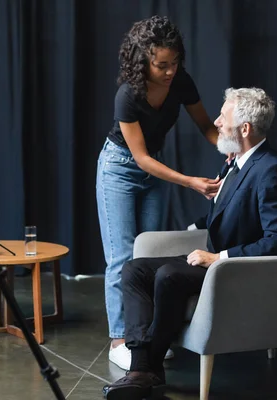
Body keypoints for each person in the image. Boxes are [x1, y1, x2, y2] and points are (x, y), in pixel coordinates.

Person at [103, 87, 277, 399]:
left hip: (237, 270)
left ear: (245, 128)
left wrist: (219, 257)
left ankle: (145, 368)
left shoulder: (271, 171)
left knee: (169, 274)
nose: (217, 123)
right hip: (213, 259)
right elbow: (231, 212)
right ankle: (142, 367)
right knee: (134, 269)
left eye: (224, 117)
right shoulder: (236, 162)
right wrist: (193, 227)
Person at [96, 15, 225, 370]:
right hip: (119, 168)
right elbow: (138, 157)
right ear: (144, 61)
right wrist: (189, 181)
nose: (170, 71)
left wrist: (230, 147)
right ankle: (120, 339)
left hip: (155, 169)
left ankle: (148, 334)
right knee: (121, 255)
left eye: (175, 63)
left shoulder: (181, 81)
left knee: (148, 250)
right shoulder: (128, 95)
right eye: (161, 65)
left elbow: (204, 125)